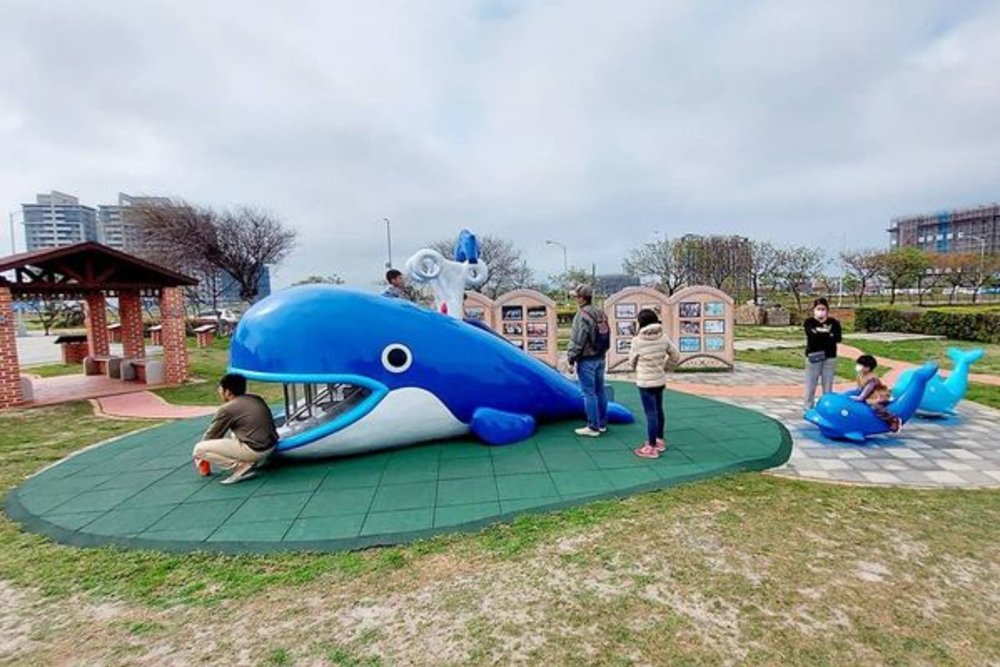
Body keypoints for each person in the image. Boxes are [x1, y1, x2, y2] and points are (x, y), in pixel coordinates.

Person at [192, 373, 279, 484]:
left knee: (199, 449)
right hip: (271, 446)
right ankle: (251, 462)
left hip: (256, 451)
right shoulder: (256, 398)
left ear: (227, 392)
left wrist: (201, 459)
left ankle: (240, 467)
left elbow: (211, 436)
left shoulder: (227, 409)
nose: (219, 391)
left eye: (220, 388)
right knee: (235, 433)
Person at [628, 309, 681, 459]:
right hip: (659, 380)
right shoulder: (663, 337)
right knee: (658, 410)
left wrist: (637, 367)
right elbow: (675, 355)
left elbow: (631, 361)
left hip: (645, 382)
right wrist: (666, 366)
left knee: (650, 413)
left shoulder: (638, 341)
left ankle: (650, 447)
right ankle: (659, 440)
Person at [567, 284, 610, 437]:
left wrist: (571, 358)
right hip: (600, 357)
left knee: (589, 393)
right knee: (600, 391)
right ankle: (602, 424)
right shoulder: (600, 313)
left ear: (581, 298)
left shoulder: (582, 315)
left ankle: (593, 427)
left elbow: (578, 340)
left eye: (576, 296)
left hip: (586, 359)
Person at [803, 297, 842, 412]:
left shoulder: (833, 323)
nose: (821, 311)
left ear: (827, 310)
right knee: (811, 384)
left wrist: (821, 333)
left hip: (829, 357)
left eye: (823, 309)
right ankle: (808, 408)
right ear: (814, 310)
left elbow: (837, 338)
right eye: (818, 309)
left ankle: (827, 409)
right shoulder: (809, 322)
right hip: (813, 357)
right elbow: (812, 336)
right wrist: (827, 334)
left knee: (828, 385)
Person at [852, 354, 902, 432]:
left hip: (877, 395)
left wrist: (860, 398)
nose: (858, 366)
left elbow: (868, 389)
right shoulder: (860, 374)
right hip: (868, 394)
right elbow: (860, 387)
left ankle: (893, 419)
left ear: (868, 368)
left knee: (875, 406)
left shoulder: (871, 378)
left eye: (861, 365)